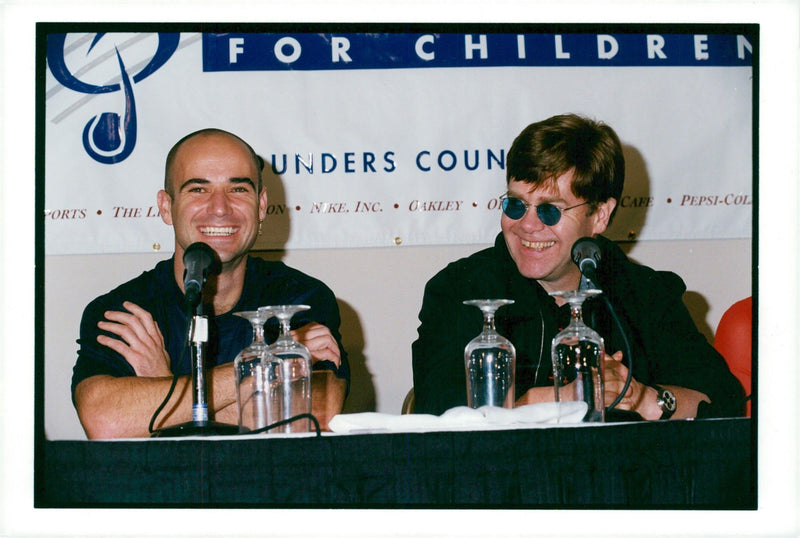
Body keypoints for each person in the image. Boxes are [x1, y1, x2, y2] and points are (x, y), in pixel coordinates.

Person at [411, 113, 743, 419]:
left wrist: (639, 397)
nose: (527, 225)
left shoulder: (646, 293)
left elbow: (723, 403)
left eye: (550, 210)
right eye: (515, 205)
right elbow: (438, 407)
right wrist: (566, 398)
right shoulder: (460, 288)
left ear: (599, 215)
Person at [72, 128, 349, 439]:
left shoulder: (299, 298)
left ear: (260, 206)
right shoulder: (126, 311)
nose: (220, 208)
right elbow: (106, 422)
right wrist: (266, 367)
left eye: (238, 190)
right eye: (198, 190)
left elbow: (313, 417)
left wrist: (165, 388)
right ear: (166, 207)